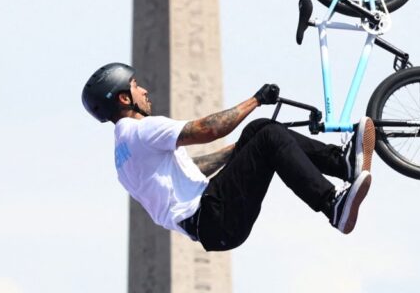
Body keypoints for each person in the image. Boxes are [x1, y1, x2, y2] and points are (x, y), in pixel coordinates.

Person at [82, 62, 375, 252]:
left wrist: (241, 149)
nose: (144, 90)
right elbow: (208, 129)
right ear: (124, 98)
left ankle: (343, 162)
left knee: (259, 131)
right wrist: (256, 100)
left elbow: (189, 169)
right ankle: (332, 205)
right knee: (269, 135)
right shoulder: (143, 130)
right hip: (212, 215)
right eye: (135, 86)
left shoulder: (122, 158)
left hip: (211, 222)